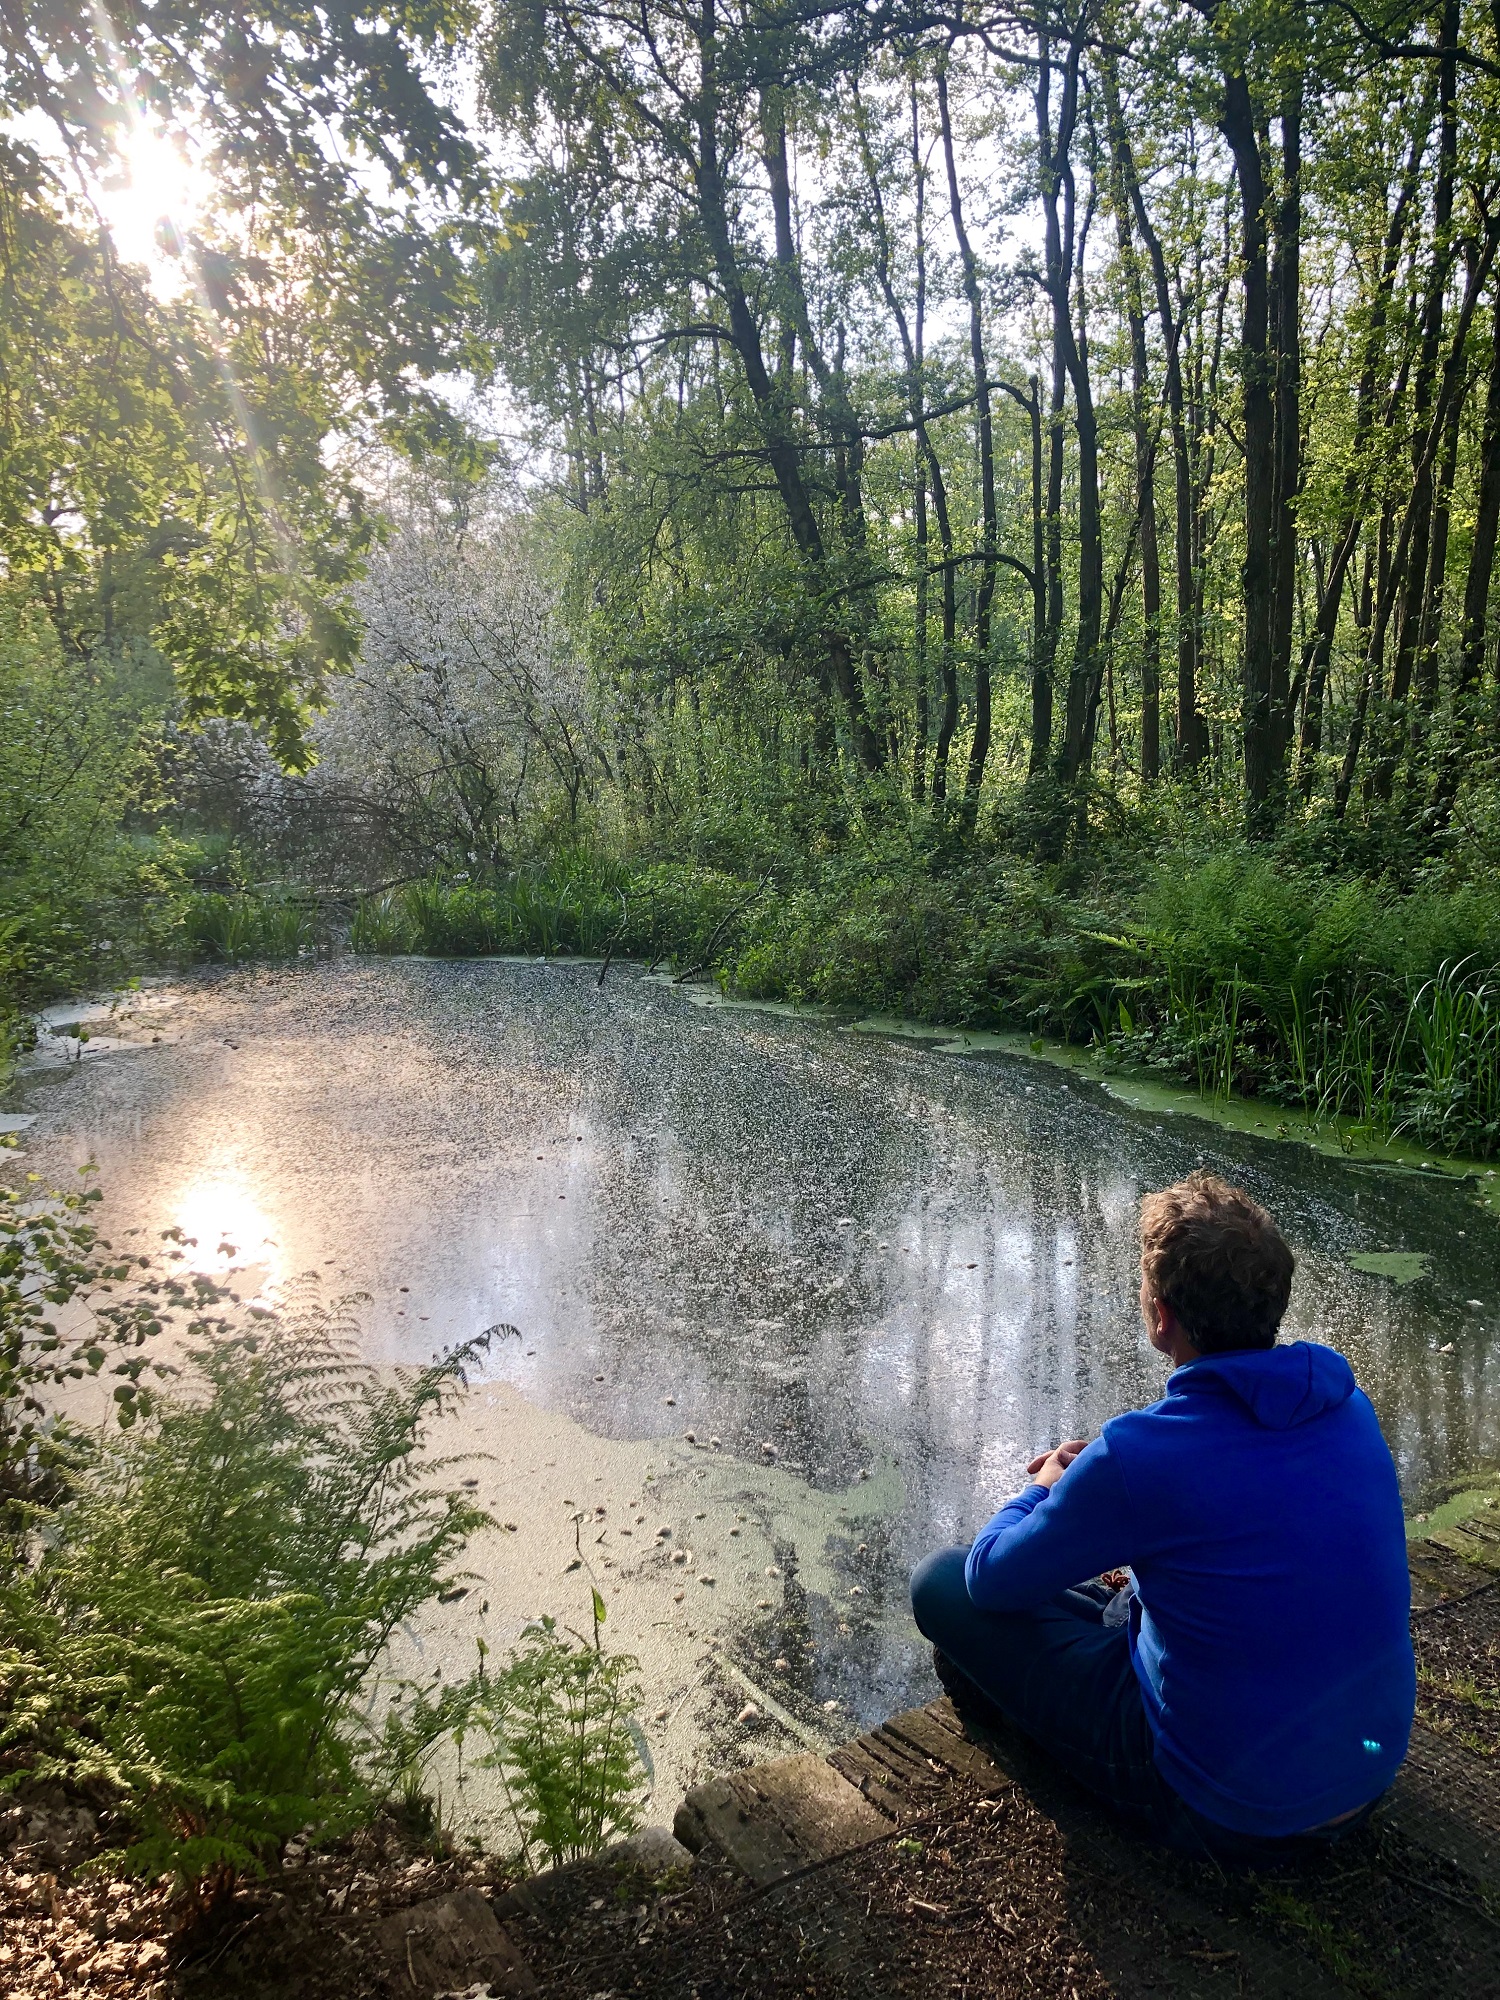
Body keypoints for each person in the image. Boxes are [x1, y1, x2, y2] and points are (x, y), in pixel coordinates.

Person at [910, 1171, 1416, 1866]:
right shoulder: (1344, 1404)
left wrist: (1050, 1489)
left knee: (939, 1583)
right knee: (1107, 1601)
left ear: (1160, 1315)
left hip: (1228, 1810)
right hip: (1366, 1772)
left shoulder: (1141, 1453)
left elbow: (988, 1579)